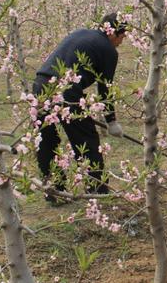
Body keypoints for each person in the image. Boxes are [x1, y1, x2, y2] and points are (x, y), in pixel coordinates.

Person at [33, 13, 126, 203]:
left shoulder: (81, 33)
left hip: (41, 84)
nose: (122, 42)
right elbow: (104, 87)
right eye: (123, 36)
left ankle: (54, 192)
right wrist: (112, 121)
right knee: (86, 142)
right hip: (67, 92)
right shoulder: (109, 50)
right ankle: (97, 192)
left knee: (45, 141)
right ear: (114, 33)